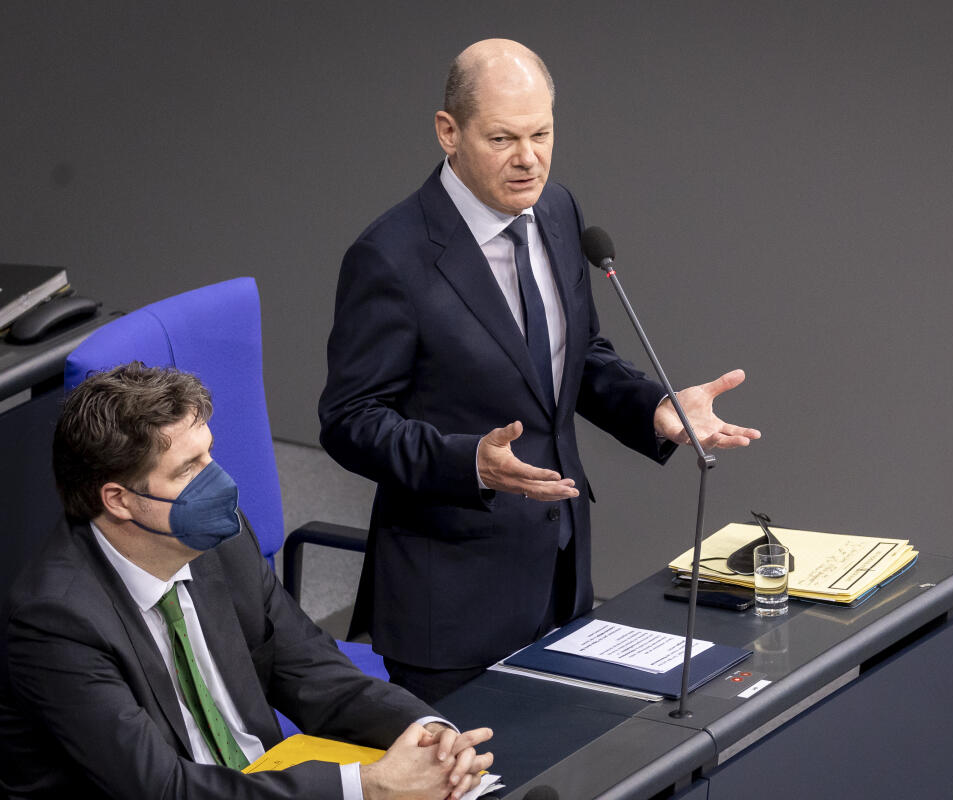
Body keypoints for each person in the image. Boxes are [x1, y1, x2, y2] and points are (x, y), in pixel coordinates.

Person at [319, 38, 760, 702]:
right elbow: (348, 421)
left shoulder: (557, 212)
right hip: (450, 600)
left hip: (558, 569)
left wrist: (653, 408)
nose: (529, 159)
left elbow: (574, 358)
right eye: (502, 138)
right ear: (449, 132)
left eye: (542, 133)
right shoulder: (391, 258)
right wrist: (469, 462)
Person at [0, 363, 492, 800]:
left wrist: (429, 732)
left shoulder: (223, 543)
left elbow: (315, 673)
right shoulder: (56, 622)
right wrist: (368, 788)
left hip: (264, 777)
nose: (220, 483)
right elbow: (160, 787)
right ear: (119, 499)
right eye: (188, 469)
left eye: (208, 454)